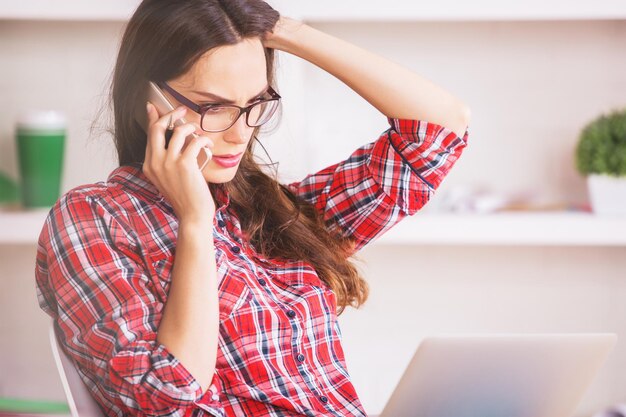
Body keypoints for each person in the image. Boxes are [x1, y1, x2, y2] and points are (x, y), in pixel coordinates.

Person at [34, 0, 470, 416]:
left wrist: (280, 30)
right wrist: (195, 222)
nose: (241, 133)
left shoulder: (275, 214)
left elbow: (436, 135)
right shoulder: (93, 219)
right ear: (145, 99)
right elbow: (166, 392)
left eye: (254, 104)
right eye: (212, 107)